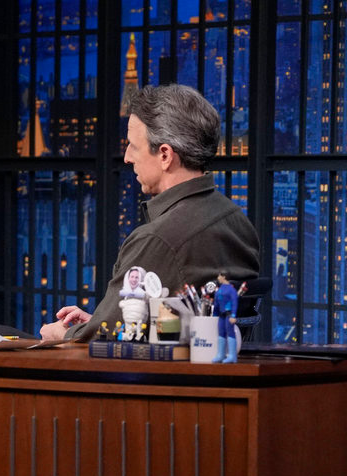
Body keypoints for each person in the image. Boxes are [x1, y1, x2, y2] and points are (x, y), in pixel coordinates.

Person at [39, 83, 260, 343]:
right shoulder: (237, 221)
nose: (126, 157)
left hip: (160, 368)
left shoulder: (158, 240)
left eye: (133, 146)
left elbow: (99, 343)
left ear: (165, 155)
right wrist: (101, 323)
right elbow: (179, 320)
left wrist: (63, 335)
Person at [211, 273, 239, 363]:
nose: (218, 278)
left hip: (229, 314)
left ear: (224, 277)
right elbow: (216, 304)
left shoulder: (231, 290)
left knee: (230, 332)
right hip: (221, 315)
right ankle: (221, 354)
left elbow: (234, 303)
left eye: (219, 276)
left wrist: (233, 315)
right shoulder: (219, 290)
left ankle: (232, 355)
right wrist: (214, 314)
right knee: (221, 333)